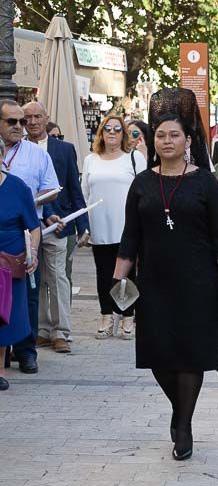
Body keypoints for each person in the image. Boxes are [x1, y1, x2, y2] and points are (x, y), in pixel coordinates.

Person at [112, 88, 218, 461]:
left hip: (199, 283)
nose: (167, 141)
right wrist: (119, 282)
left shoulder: (204, 182)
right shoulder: (142, 183)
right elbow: (130, 236)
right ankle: (179, 408)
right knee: (159, 355)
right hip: (155, 284)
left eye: (174, 135)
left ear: (188, 140)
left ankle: (183, 424)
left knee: (192, 355)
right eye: (161, 135)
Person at [0, 100, 58, 376]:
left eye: (22, 122)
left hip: (24, 233)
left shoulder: (36, 154)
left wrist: (21, 200)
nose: (20, 127)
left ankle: (26, 352)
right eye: (12, 122)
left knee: (26, 298)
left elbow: (52, 189)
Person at [24, 101, 87, 355]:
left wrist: (83, 225)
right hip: (28, 224)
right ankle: (41, 330)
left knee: (58, 278)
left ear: (46, 118)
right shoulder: (17, 150)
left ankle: (61, 332)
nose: (32, 121)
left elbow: (73, 186)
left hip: (59, 225)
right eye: (27, 117)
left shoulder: (64, 149)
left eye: (37, 116)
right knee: (34, 278)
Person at [82, 115, 145, 340]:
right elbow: (85, 194)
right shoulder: (91, 160)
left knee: (127, 274)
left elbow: (144, 193)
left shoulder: (134, 158)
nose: (112, 133)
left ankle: (128, 315)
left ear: (123, 134)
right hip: (100, 224)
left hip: (127, 225)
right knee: (103, 273)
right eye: (107, 129)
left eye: (117, 129)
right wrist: (85, 228)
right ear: (101, 133)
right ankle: (106, 316)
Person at [0, 170, 40, 391]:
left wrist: (32, 252)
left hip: (9, 260)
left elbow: (33, 226)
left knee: (5, 315)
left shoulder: (17, 187)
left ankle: (0, 370)